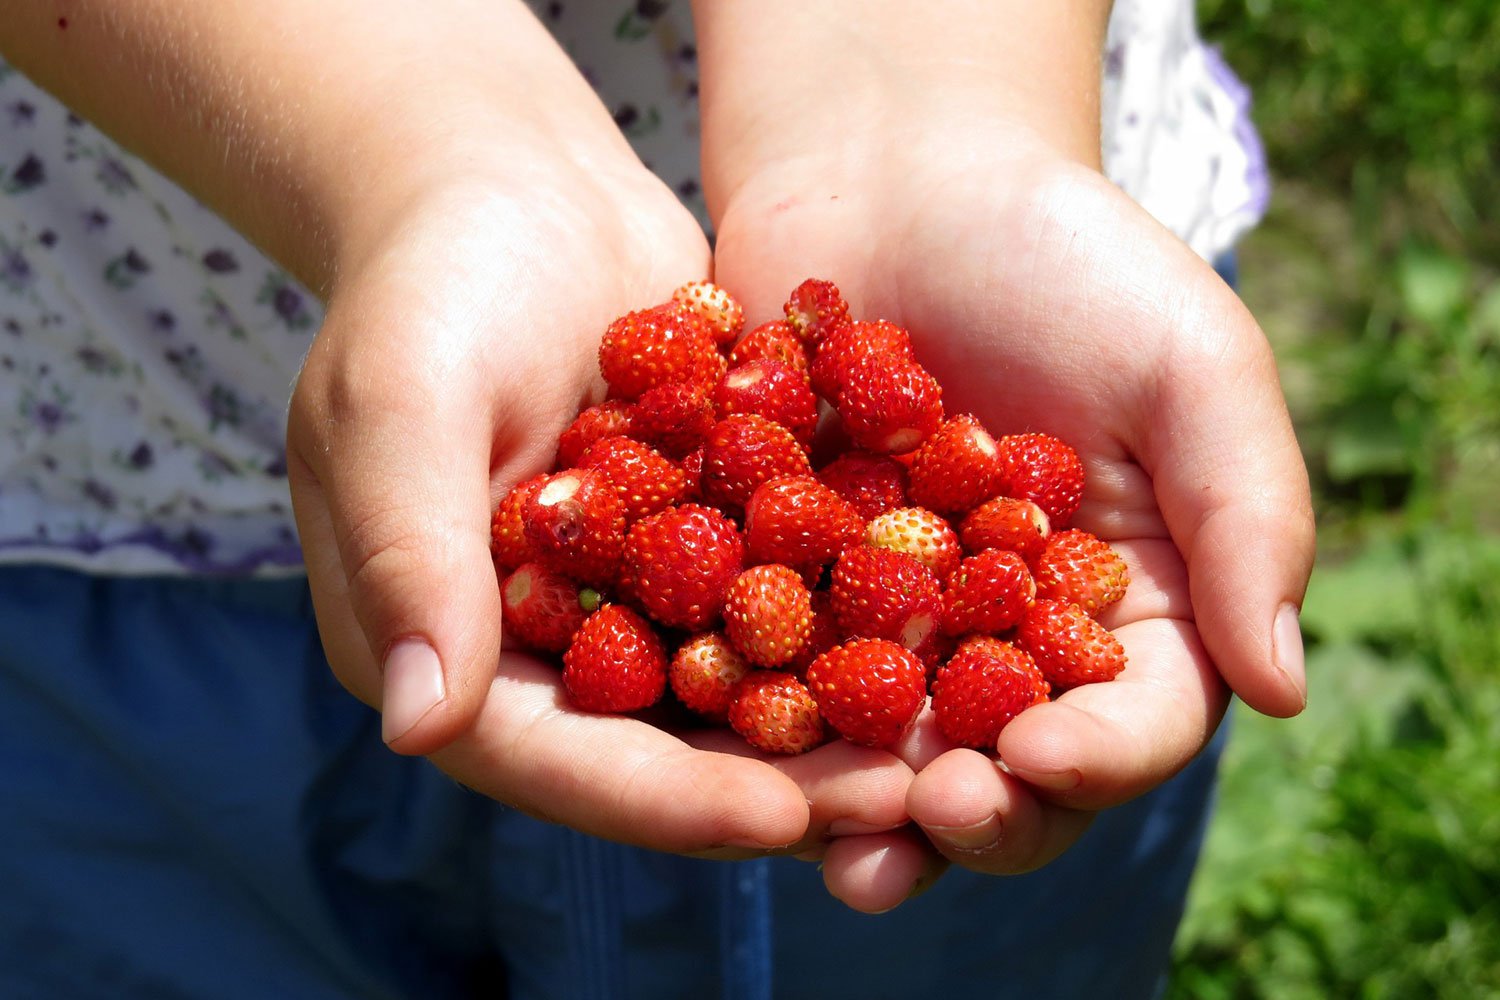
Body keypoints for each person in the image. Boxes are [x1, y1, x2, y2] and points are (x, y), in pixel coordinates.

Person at [0, 1, 1314, 996]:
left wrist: (927, 127)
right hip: (118, 461)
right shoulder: (699, 509)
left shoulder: (856, 502)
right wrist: (436, 162)